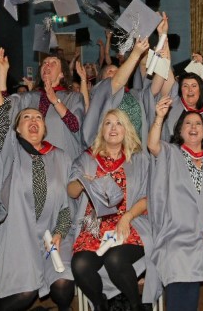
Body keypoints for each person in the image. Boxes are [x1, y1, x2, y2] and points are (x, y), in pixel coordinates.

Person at [0, 45, 75, 311]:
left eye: (38, 117)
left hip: (53, 235)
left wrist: (61, 232)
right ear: (16, 128)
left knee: (63, 288)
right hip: (18, 235)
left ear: (45, 127)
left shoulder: (60, 156)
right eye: (26, 117)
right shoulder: (12, 153)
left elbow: (65, 207)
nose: (33, 120)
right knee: (25, 292)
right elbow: (1, 109)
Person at [148, 96, 203, 311]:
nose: (193, 127)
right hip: (177, 233)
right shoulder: (170, 154)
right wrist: (159, 118)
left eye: (198, 123)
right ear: (180, 131)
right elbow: (152, 145)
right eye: (188, 123)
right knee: (178, 259)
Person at [69, 109, 159, 311]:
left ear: (126, 129)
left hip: (130, 223)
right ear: (102, 130)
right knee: (80, 265)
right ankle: (100, 305)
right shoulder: (87, 159)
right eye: (108, 123)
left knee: (115, 259)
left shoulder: (139, 159)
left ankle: (136, 306)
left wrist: (127, 217)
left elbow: (148, 198)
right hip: (94, 226)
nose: (113, 128)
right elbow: (71, 191)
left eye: (119, 123)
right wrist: (82, 182)